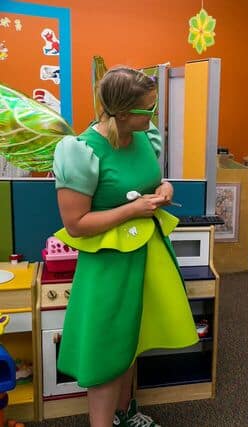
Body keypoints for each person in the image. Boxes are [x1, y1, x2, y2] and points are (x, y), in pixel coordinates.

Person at [53, 66, 198, 427]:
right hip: (108, 265)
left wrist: (164, 188)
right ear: (120, 112)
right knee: (107, 350)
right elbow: (76, 224)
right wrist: (133, 209)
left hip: (146, 254)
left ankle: (124, 413)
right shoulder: (81, 151)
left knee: (132, 339)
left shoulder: (145, 136)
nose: (154, 115)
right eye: (148, 109)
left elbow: (148, 181)